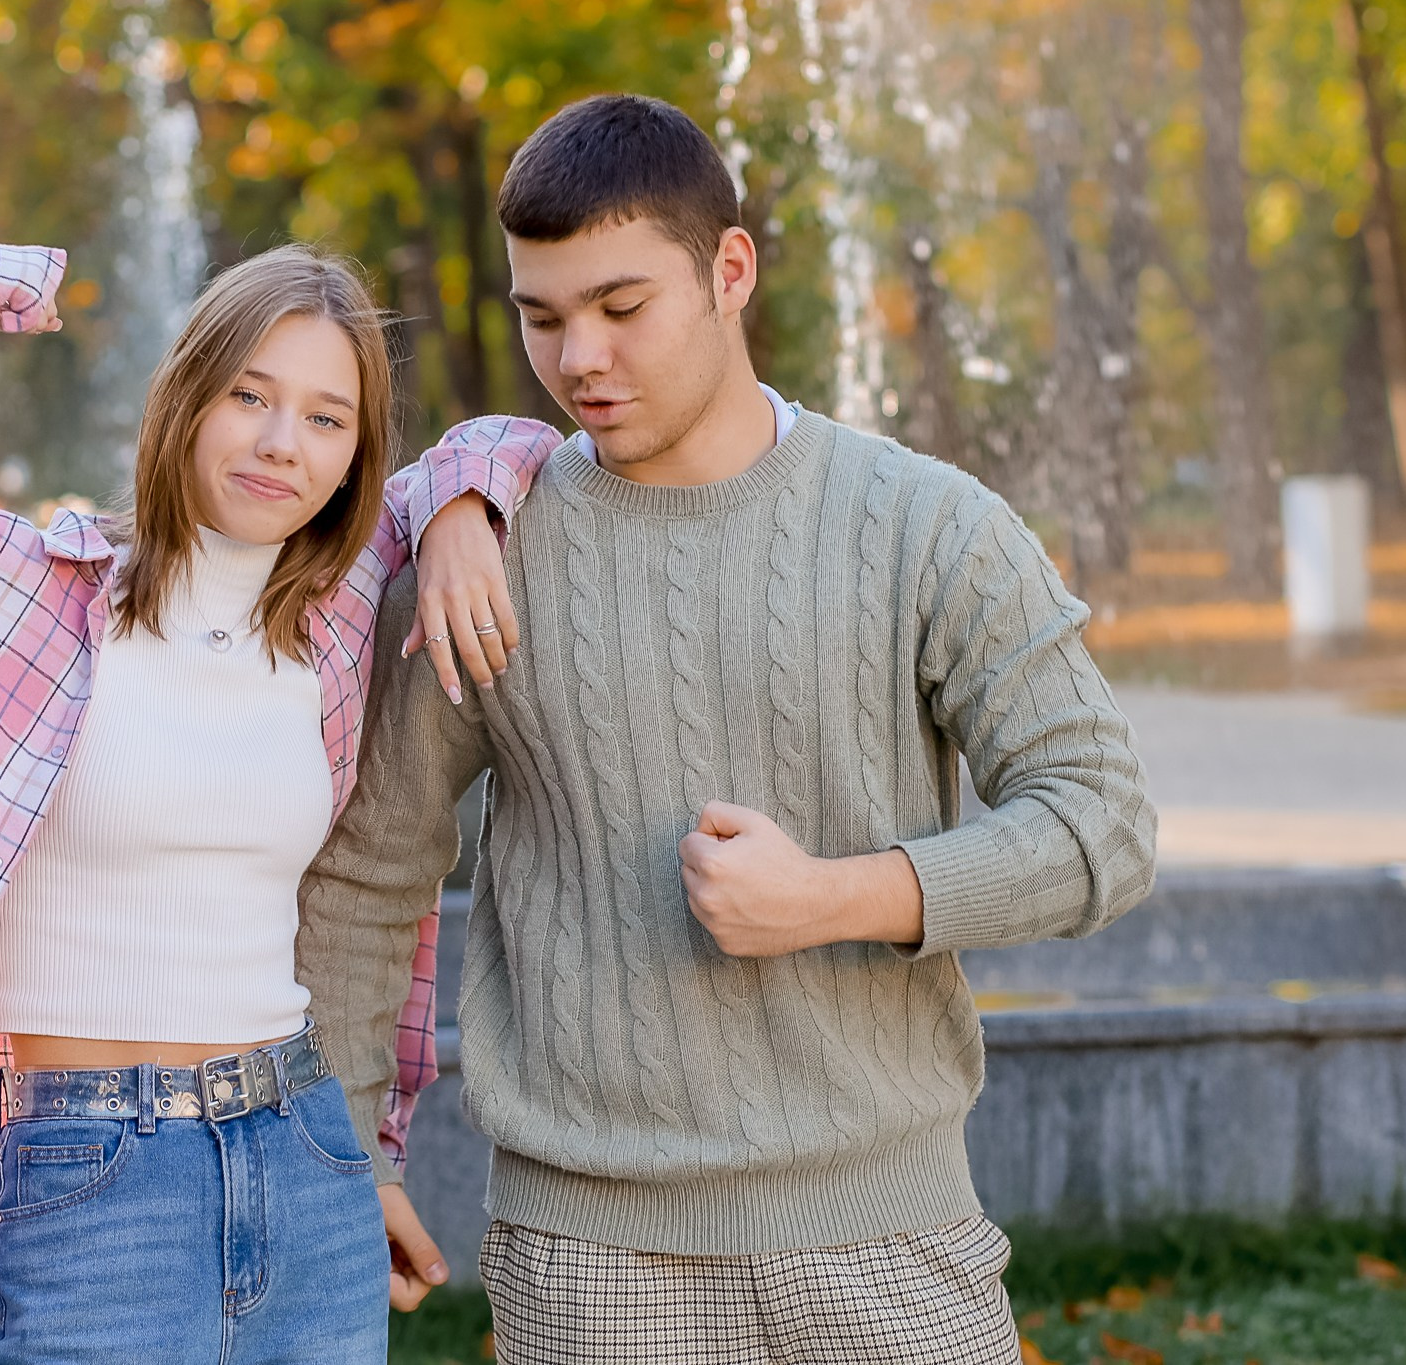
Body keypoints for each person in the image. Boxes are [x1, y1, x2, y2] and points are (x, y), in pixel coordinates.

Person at [298, 94, 1160, 1363]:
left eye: (622, 306)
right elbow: (370, 872)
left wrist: (833, 897)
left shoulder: (931, 525)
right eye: (544, 317)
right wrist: (350, 1154)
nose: (580, 358)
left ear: (731, 270)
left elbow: (1104, 825)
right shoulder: (485, 553)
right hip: (588, 1266)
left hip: (892, 1242)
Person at [0, 239, 559, 1365]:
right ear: (185, 397)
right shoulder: (11, 594)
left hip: (304, 1156)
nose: (283, 441)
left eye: (328, 419)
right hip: (96, 1174)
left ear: (354, 457)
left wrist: (462, 507)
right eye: (250, 395)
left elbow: (516, 443)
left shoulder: (334, 612)